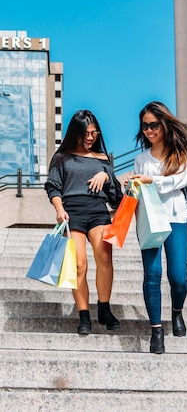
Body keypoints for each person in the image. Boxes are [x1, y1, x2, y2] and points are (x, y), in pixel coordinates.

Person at [128, 101, 187, 354]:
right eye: (145, 126)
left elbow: (181, 179)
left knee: (178, 278)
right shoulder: (141, 159)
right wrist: (133, 185)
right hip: (149, 221)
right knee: (152, 274)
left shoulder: (183, 148)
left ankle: (177, 312)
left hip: (177, 217)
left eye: (154, 125)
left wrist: (151, 180)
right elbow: (139, 193)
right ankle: (156, 331)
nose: (149, 131)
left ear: (164, 123)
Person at [45, 109, 123, 335]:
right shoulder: (62, 157)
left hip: (98, 211)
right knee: (79, 264)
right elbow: (53, 186)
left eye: (94, 133)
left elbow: (116, 195)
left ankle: (104, 308)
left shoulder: (102, 159)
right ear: (76, 132)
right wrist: (59, 209)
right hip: (72, 213)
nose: (91, 137)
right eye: (86, 133)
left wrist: (106, 176)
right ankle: (84, 314)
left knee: (105, 257)